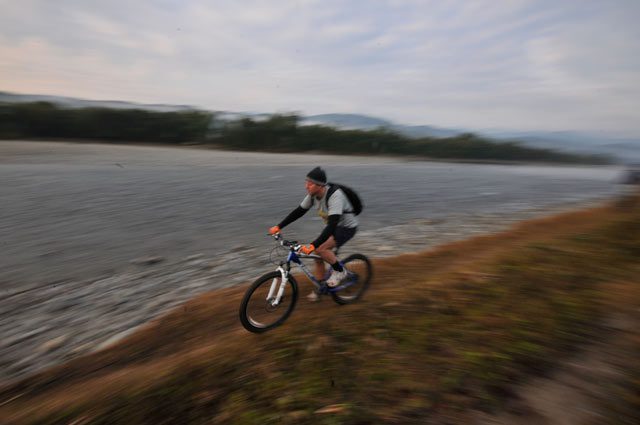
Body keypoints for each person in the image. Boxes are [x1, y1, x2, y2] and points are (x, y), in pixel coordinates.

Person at [268, 166, 358, 301]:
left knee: (321, 249)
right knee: (317, 253)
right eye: (306, 182)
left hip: (346, 227)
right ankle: (321, 286)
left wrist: (313, 245)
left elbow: (333, 225)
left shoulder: (335, 196)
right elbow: (299, 211)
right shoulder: (313, 195)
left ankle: (340, 271)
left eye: (309, 183)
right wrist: (279, 226)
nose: (306, 186)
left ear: (320, 185)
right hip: (333, 227)